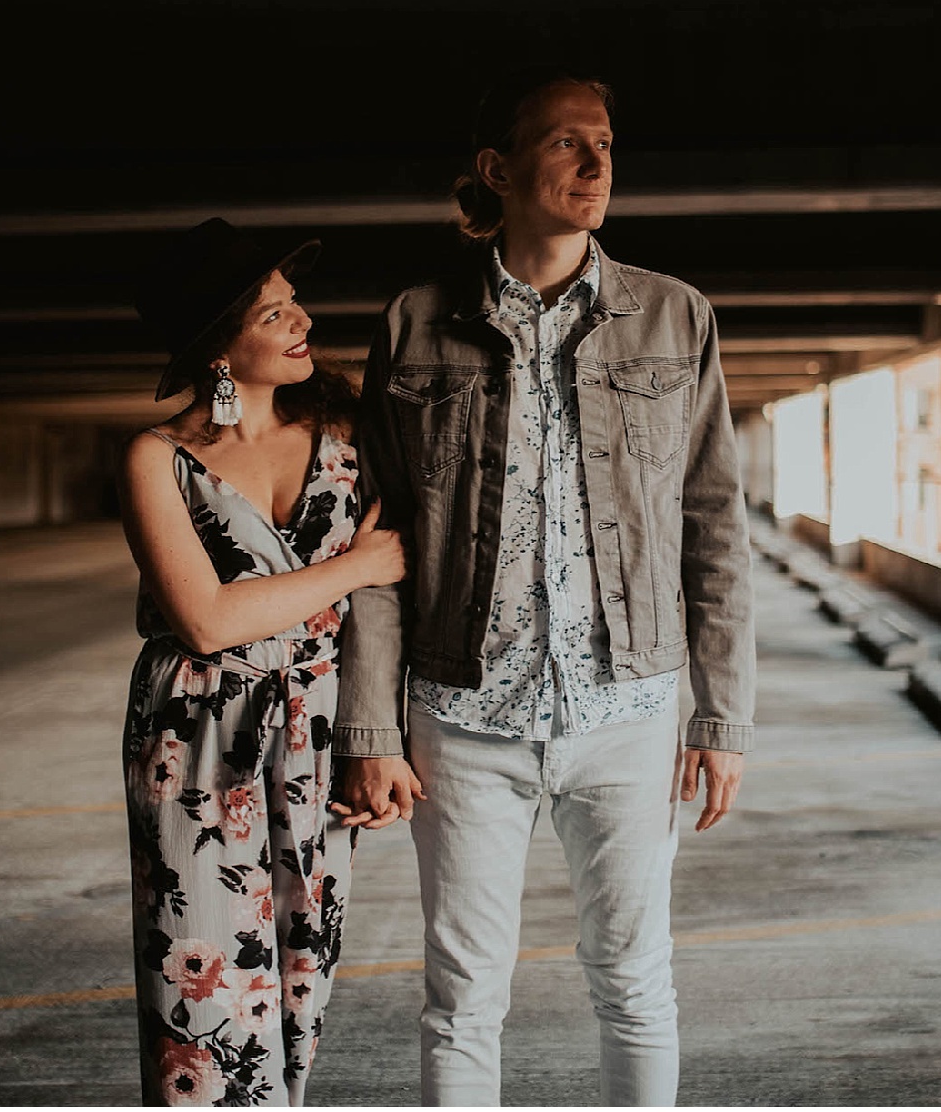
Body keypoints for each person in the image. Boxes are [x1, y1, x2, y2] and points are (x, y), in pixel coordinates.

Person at [331, 70, 756, 1106]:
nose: (597, 163)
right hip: (460, 717)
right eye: (567, 142)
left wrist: (724, 715)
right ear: (498, 169)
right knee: (462, 995)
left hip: (630, 711)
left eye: (606, 142)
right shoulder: (417, 322)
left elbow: (714, 527)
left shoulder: (672, 315)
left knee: (633, 980)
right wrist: (369, 731)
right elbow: (379, 549)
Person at [120, 219, 405, 1106]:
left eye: (294, 304)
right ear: (217, 348)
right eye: (273, 313)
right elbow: (205, 620)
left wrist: (378, 736)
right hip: (196, 736)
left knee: (298, 973)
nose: (301, 322)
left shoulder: (352, 430)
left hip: (319, 721)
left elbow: (384, 615)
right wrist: (356, 566)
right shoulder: (157, 459)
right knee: (198, 991)